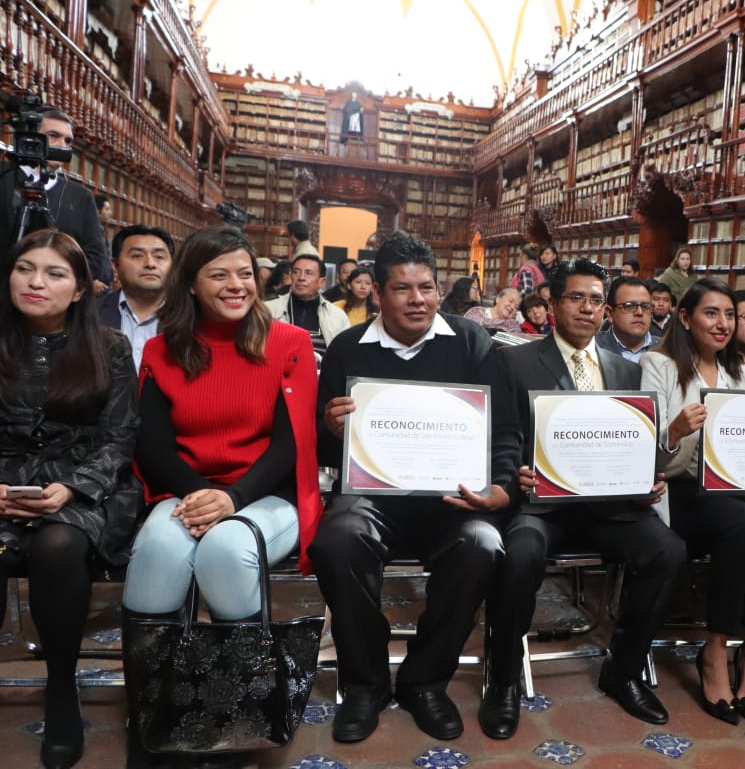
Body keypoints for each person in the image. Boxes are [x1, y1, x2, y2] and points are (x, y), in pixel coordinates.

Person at [310, 234, 520, 743]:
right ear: (378, 293)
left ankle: (425, 682)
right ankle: (365, 684)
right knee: (337, 540)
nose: (417, 299)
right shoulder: (347, 348)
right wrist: (332, 430)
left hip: (451, 498)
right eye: (402, 289)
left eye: (426, 287)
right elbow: (321, 450)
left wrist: (501, 488)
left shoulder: (471, 341)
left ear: (439, 289)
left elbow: (505, 430)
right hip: (372, 497)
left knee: (483, 544)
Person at [121, 226, 319, 758]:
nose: (237, 285)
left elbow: (291, 445)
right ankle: (152, 717)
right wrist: (201, 496)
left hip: (269, 493)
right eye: (219, 275)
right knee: (158, 549)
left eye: (245, 273)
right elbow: (153, 447)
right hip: (187, 491)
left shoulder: (289, 343)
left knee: (226, 550)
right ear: (190, 283)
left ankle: (242, 715)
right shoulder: (162, 349)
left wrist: (231, 499)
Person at [484, 258, 686, 739]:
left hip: (609, 508)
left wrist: (647, 479)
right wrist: (514, 476)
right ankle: (504, 680)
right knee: (520, 554)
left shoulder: (624, 369)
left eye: (596, 300)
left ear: (606, 311)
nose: (587, 308)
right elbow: (504, 435)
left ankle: (624, 670)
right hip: (542, 505)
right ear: (553, 304)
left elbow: (632, 441)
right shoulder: (514, 361)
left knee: (668, 551)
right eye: (576, 298)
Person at [0, 230, 139, 769]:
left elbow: (120, 435)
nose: (36, 282)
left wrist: (75, 486)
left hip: (84, 485)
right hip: (5, 483)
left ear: (80, 289)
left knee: (57, 546)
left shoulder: (109, 346)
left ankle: (61, 686)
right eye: (25, 269)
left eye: (54, 274)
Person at [641, 278, 745, 725]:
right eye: (711, 313)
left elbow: (744, 445)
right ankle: (714, 650)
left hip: (729, 484)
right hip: (677, 488)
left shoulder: (742, 373)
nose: (723, 324)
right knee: (744, 525)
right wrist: (674, 432)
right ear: (685, 318)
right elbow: (646, 455)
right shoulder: (659, 364)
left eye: (729, 315)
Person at [0, 108, 112, 290]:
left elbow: (95, 255)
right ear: (31, 138)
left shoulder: (81, 196)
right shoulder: (4, 177)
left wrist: (57, 282)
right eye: (53, 136)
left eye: (68, 141)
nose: (62, 145)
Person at [97, 225, 174, 371]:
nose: (150, 264)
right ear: (115, 265)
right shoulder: (91, 313)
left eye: (159, 257)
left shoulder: (191, 317)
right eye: (137, 256)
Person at [266, 253, 351, 352]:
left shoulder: (338, 317)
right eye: (296, 272)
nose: (301, 278)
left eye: (308, 273)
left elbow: (344, 353)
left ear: (321, 282)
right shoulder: (268, 310)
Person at [596, 276, 660, 363]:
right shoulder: (591, 347)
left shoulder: (667, 349)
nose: (639, 312)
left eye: (645, 307)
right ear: (610, 313)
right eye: (629, 306)